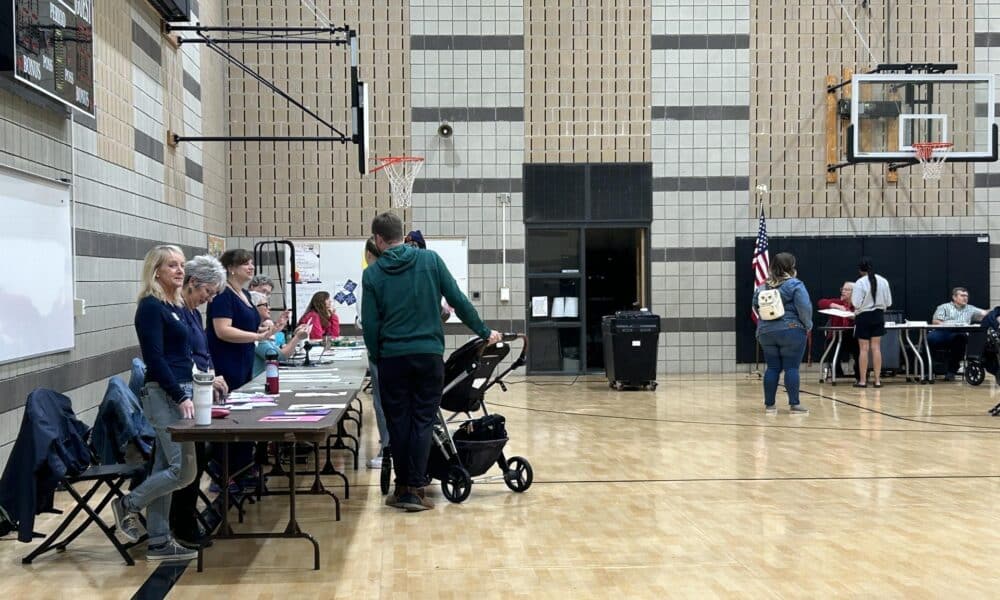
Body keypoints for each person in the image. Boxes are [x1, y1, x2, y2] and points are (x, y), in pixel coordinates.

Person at [362, 212, 501, 511]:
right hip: (428, 357)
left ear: (378, 239)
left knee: (398, 422)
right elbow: (459, 301)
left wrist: (377, 356)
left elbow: (371, 326)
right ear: (401, 234)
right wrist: (485, 332)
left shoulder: (372, 274)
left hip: (392, 359)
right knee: (423, 420)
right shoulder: (431, 260)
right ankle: (417, 487)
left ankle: (402, 489)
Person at [111, 245, 198, 561]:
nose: (179, 270)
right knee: (182, 471)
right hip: (164, 394)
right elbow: (155, 358)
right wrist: (180, 395)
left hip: (182, 389)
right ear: (156, 271)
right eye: (172, 265)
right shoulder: (150, 306)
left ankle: (159, 541)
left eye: (182, 264)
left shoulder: (174, 305)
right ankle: (128, 504)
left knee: (166, 467)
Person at [170, 254, 228, 547]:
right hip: (183, 395)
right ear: (193, 283)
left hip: (201, 391)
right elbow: (183, 358)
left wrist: (213, 375)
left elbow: (203, 351)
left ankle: (186, 518)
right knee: (189, 460)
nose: (209, 299)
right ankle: (181, 524)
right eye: (208, 292)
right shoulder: (176, 310)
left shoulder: (193, 311)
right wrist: (205, 378)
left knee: (201, 453)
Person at [752, 252, 813, 415]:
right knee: (791, 368)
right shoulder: (795, 284)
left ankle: (770, 406)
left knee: (772, 368)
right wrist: (808, 325)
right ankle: (794, 405)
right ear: (791, 267)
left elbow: (755, 306)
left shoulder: (762, 286)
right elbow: (804, 308)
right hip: (791, 329)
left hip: (766, 332)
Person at [357, 237, 389, 469]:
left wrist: (375, 353)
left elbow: (366, 323)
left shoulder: (371, 276)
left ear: (369, 254)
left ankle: (388, 449)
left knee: (382, 401)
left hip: (383, 349)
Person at [929, 287, 987, 381]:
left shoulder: (970, 308)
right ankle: (928, 371)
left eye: (966, 296)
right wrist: (952, 324)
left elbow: (985, 313)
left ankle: (951, 372)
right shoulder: (944, 307)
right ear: (954, 297)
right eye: (962, 295)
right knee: (929, 338)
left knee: (961, 339)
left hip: (959, 334)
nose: (965, 298)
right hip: (943, 332)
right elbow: (936, 321)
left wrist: (994, 312)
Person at [851, 257, 893, 388]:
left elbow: (856, 303)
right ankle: (878, 380)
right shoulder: (883, 281)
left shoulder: (860, 282)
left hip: (864, 316)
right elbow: (889, 302)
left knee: (863, 349)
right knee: (876, 348)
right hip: (878, 316)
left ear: (860, 270)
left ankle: (863, 381)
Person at [251, 291, 309, 376]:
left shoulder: (258, 330)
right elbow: (279, 356)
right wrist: (297, 337)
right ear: (254, 307)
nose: (269, 308)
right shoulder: (253, 332)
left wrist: (276, 328)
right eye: (265, 305)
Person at [817, 281, 859, 381]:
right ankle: (836, 372)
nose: (843, 291)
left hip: (853, 337)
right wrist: (837, 306)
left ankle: (860, 374)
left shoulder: (858, 305)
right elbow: (821, 302)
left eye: (846, 290)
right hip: (836, 336)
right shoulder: (838, 302)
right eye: (842, 289)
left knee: (860, 347)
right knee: (833, 345)